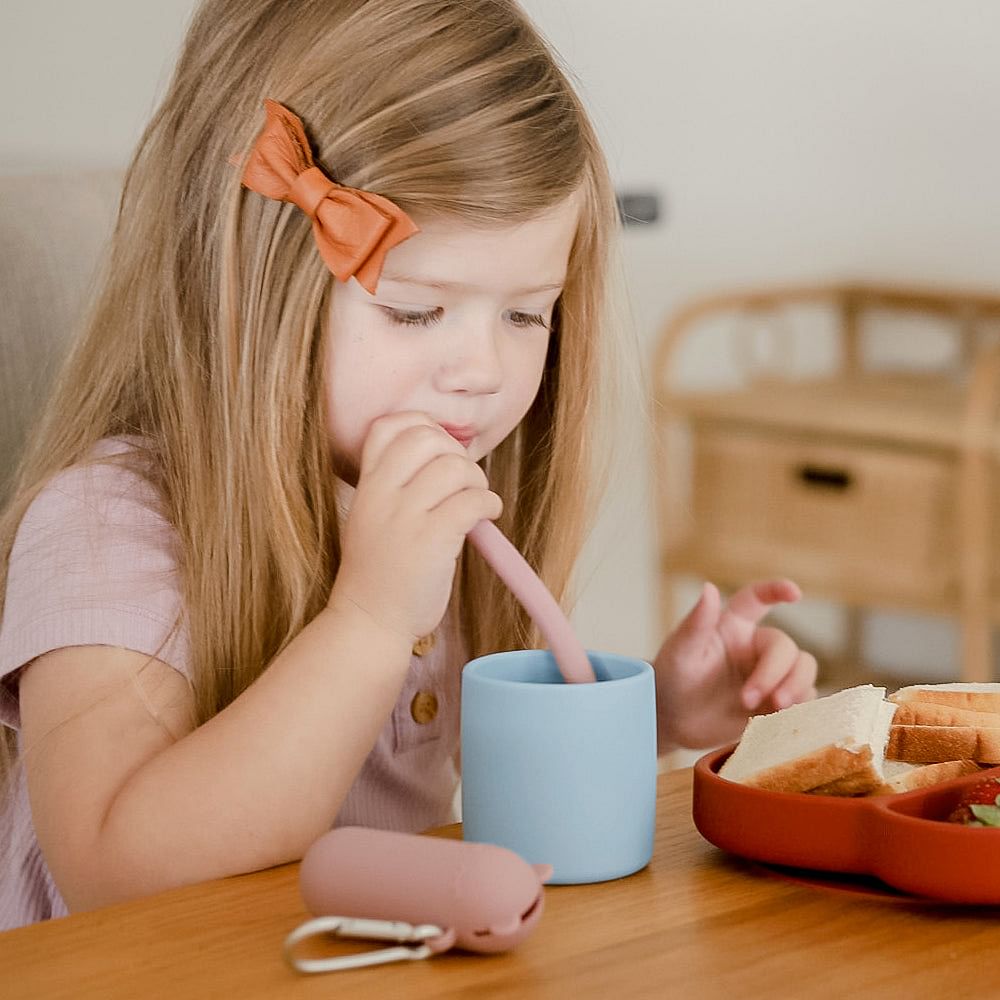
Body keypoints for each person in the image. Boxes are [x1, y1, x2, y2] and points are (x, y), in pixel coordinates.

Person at [0, 0, 817, 930]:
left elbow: (496, 790)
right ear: (249, 289)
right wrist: (370, 618)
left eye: (525, 313)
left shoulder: (438, 506)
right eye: (416, 311)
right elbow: (116, 874)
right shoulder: (106, 524)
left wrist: (655, 719)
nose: (482, 372)